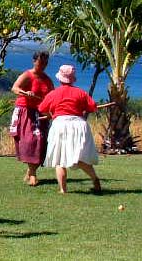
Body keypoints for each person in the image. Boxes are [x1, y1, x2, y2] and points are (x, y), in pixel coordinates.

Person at [38, 64, 101, 194]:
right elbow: (93, 107)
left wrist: (51, 114)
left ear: (60, 79)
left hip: (60, 124)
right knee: (80, 157)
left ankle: (63, 189)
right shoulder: (81, 93)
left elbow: (42, 109)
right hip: (78, 125)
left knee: (59, 158)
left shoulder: (53, 94)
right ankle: (95, 179)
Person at [9, 51, 54, 186]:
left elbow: (52, 96)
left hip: (41, 114)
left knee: (41, 142)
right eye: (41, 62)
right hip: (26, 112)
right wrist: (26, 93)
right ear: (34, 61)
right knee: (32, 140)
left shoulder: (47, 79)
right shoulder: (27, 75)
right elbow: (15, 88)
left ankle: (30, 172)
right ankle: (33, 174)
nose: (43, 65)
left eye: (45, 63)